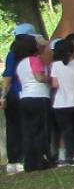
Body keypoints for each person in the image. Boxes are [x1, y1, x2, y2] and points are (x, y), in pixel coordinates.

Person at [12, 34, 52, 173]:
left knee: (29, 131)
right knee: (42, 130)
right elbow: (39, 77)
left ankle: (30, 162)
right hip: (39, 96)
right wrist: (50, 79)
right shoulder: (35, 60)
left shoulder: (20, 64)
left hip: (25, 98)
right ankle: (42, 159)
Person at [4, 23, 40, 174]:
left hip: (13, 96)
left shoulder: (12, 54)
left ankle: (14, 159)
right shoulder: (30, 56)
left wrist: (4, 95)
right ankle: (23, 157)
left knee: (13, 128)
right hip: (24, 95)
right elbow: (8, 78)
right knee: (25, 127)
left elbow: (7, 77)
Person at [49, 37, 74, 165]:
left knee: (66, 131)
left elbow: (54, 84)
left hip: (61, 104)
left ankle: (68, 156)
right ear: (73, 51)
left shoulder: (55, 65)